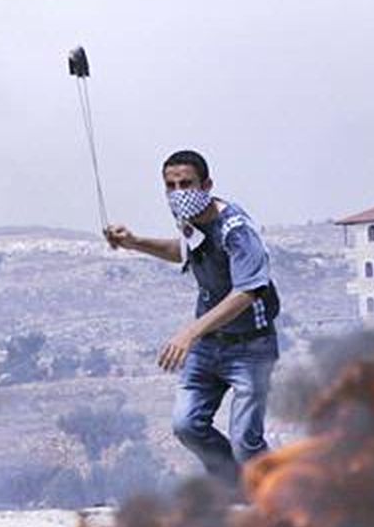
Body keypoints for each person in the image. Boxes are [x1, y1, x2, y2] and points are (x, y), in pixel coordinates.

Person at [103, 150, 280, 486]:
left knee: (246, 443)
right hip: (209, 347)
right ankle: (236, 489)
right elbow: (183, 251)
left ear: (207, 185)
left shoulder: (236, 230)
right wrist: (135, 242)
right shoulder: (191, 220)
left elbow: (248, 292)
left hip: (250, 348)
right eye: (170, 186)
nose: (178, 192)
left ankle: (283, 495)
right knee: (187, 426)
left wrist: (189, 333)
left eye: (186, 184)